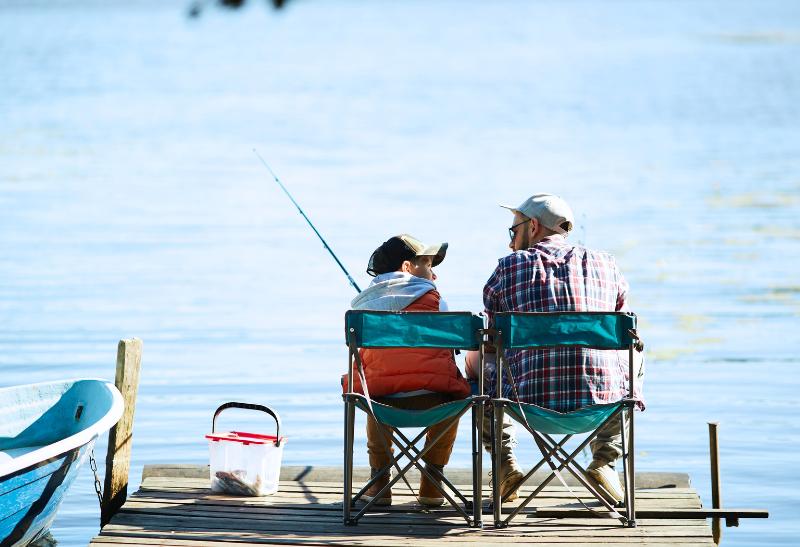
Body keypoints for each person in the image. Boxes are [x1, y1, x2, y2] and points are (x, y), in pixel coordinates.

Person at [480, 193, 645, 504]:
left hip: (526, 405)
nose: (510, 243)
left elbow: (491, 336)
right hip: (600, 406)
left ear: (533, 226)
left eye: (513, 232)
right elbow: (623, 323)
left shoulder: (508, 268)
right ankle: (606, 459)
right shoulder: (607, 265)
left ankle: (504, 465)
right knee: (633, 349)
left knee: (479, 359)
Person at [345, 234, 471, 507]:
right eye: (428, 265)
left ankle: (379, 480)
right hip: (435, 401)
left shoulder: (361, 308)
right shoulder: (436, 302)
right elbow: (455, 347)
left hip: (382, 404)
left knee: (373, 391)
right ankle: (432, 481)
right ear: (406, 268)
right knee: (456, 393)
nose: (434, 275)